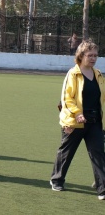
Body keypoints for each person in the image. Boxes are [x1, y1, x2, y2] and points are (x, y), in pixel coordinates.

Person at [50, 40, 105, 200]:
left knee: (98, 153)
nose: (93, 58)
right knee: (66, 152)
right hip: (74, 121)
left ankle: (102, 189)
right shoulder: (72, 74)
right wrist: (76, 114)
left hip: (94, 121)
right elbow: (67, 98)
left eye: (96, 55)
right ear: (81, 56)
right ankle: (57, 179)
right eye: (90, 55)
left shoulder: (98, 74)